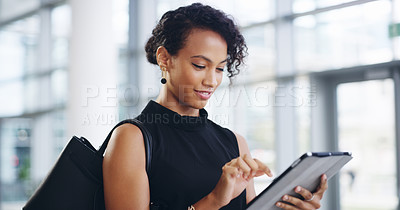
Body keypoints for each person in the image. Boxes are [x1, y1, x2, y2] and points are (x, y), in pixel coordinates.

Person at [103, 3, 328, 210]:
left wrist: (291, 205)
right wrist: (213, 201)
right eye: (200, 65)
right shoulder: (132, 138)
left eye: (220, 69)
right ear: (164, 59)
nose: (211, 81)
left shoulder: (235, 142)